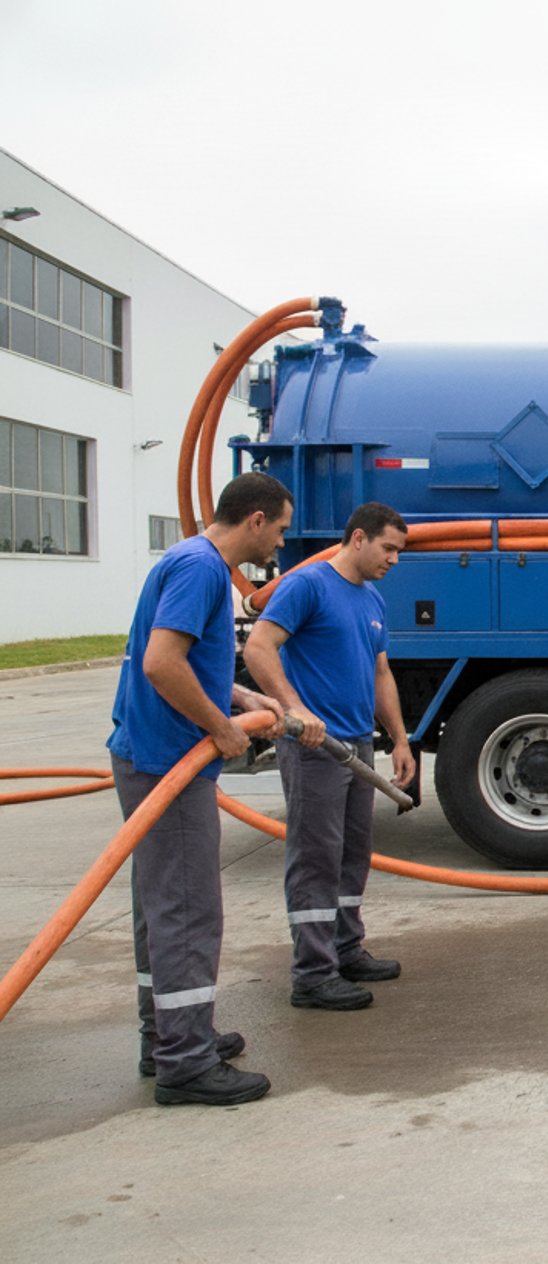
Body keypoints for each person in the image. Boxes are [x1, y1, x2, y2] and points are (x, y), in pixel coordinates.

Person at [106, 473, 291, 1106]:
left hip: (151, 754)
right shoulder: (205, 569)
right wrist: (222, 728)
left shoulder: (186, 559)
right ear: (257, 520)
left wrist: (241, 696)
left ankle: (167, 1037)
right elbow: (160, 663)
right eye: (283, 529)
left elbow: (183, 657)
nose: (282, 544)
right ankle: (185, 1062)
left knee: (160, 905)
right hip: (168, 760)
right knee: (186, 909)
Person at [244, 502, 415, 1012]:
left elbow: (380, 673)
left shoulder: (372, 600)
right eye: (388, 549)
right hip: (316, 747)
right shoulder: (308, 585)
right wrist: (294, 709)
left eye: (399, 552)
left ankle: (344, 948)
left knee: (351, 855)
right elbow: (259, 647)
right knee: (315, 858)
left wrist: (400, 740)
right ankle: (313, 974)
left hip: (358, 746)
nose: (394, 560)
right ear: (358, 538)